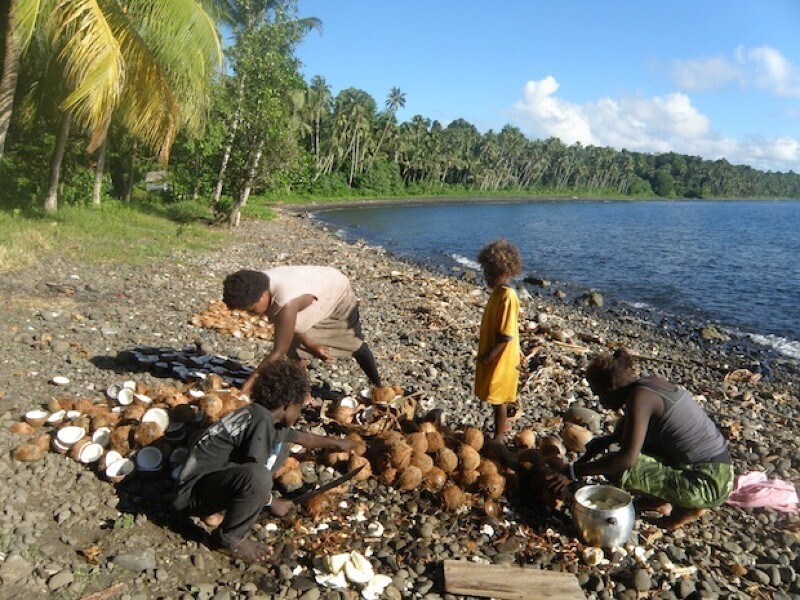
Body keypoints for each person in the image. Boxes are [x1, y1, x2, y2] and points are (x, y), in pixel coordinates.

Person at [172, 360, 357, 562]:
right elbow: (254, 474)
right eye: (299, 408)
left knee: (281, 447)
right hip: (191, 495)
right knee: (260, 476)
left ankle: (218, 511)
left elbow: (305, 439)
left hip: (203, 484)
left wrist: (338, 443)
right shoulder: (261, 420)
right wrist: (271, 502)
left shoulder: (260, 415)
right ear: (287, 406)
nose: (299, 413)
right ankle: (228, 538)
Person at [549, 348, 734, 529]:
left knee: (617, 468)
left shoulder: (640, 398)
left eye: (599, 395)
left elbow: (625, 460)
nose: (601, 403)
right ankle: (660, 498)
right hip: (718, 467)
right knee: (622, 439)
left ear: (611, 387)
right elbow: (628, 433)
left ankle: (687, 506)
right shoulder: (647, 385)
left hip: (708, 484)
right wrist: (604, 442)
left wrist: (572, 473)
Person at [223, 266, 382, 395]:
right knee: (294, 350)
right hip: (311, 291)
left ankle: (378, 384)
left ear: (263, 296)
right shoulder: (256, 283)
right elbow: (290, 327)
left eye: (252, 310)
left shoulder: (287, 302)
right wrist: (311, 345)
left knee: (354, 342)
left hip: (335, 291)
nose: (251, 314)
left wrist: (248, 386)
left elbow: (278, 352)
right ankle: (304, 395)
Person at [474, 239, 523, 440]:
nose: (487, 276)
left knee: (499, 396)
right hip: (497, 352)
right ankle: (500, 430)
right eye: (485, 271)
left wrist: (488, 357)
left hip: (501, 355)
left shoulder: (508, 296)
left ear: (505, 271)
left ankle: (499, 437)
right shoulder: (497, 293)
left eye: (491, 272)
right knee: (495, 394)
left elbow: (506, 335)